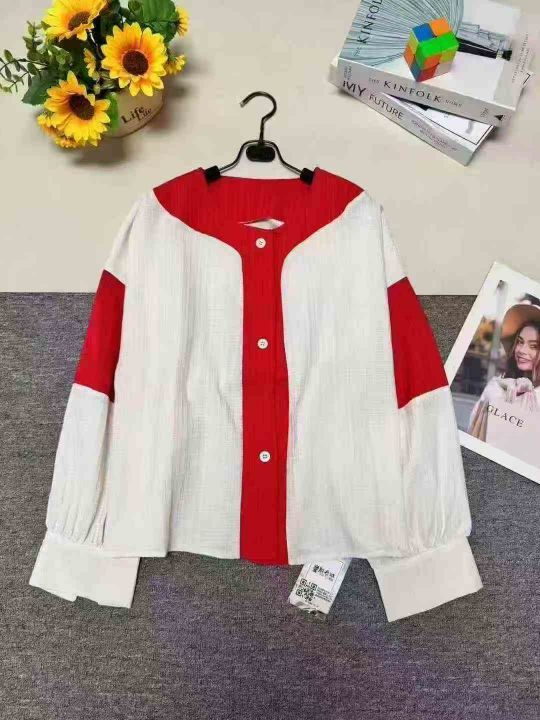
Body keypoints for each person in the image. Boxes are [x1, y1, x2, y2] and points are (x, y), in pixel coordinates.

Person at [468, 303, 540, 441]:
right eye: (520, 342)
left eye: (534, 346)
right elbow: (472, 428)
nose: (521, 350)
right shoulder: (496, 386)